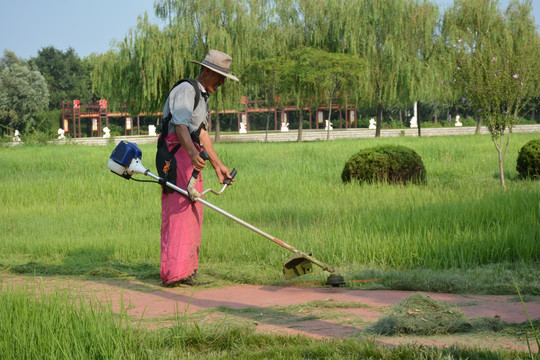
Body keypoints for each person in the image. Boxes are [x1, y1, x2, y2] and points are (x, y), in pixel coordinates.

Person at [160, 50, 238, 286]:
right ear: (208, 72)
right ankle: (174, 274)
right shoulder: (187, 90)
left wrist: (218, 165)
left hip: (190, 156)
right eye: (220, 76)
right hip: (176, 155)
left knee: (194, 210)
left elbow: (200, 132)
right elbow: (180, 126)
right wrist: (193, 154)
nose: (223, 82)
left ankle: (188, 270)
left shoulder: (202, 96)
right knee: (179, 212)